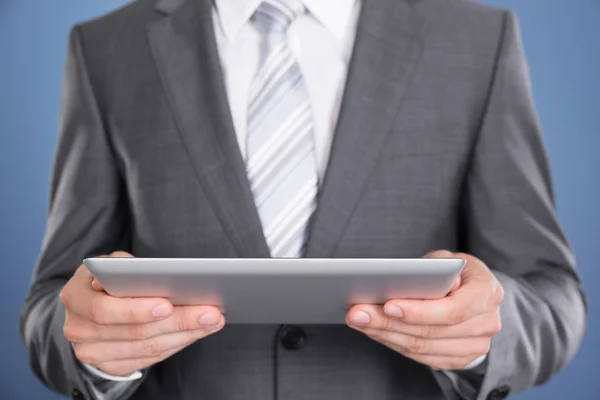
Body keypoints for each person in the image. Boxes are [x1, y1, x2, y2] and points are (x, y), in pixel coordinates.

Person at [20, 0, 587, 399]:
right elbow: (54, 300)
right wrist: (92, 350)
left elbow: (551, 293)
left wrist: (484, 332)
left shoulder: (478, 42)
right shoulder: (106, 48)